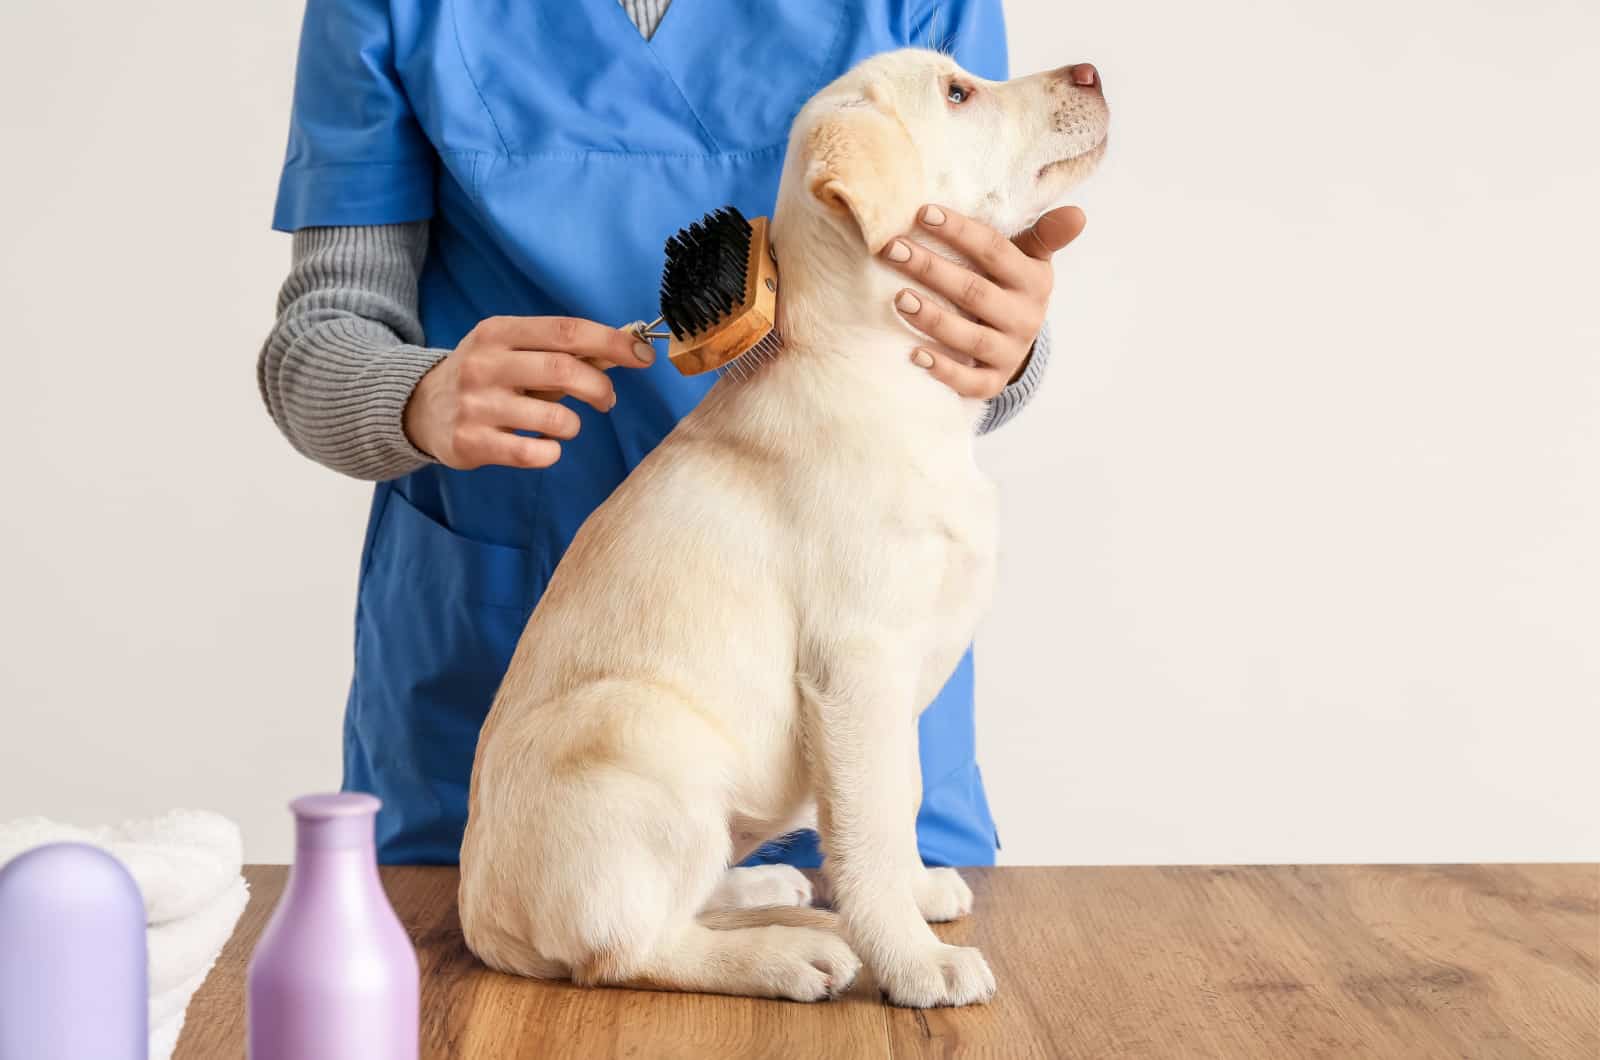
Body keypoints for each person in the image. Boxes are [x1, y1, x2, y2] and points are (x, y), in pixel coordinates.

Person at [258, 0, 1084, 866]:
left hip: (861, 700)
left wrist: (1005, 347)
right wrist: (415, 395)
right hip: (534, 719)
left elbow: (976, 286)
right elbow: (316, 343)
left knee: (898, 952)